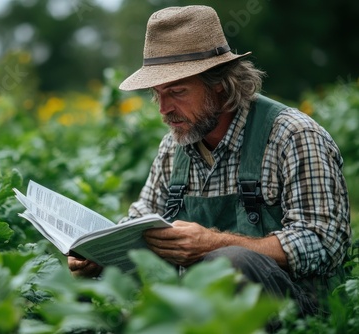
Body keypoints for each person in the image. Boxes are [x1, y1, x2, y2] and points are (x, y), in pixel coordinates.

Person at [68, 5, 351, 316]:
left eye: (176, 91)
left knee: (230, 263)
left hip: (297, 311)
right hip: (199, 311)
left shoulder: (293, 136)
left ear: (220, 84)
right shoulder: (173, 148)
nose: (163, 108)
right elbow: (139, 220)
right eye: (157, 93)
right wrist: (99, 253)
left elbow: (324, 244)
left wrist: (212, 244)